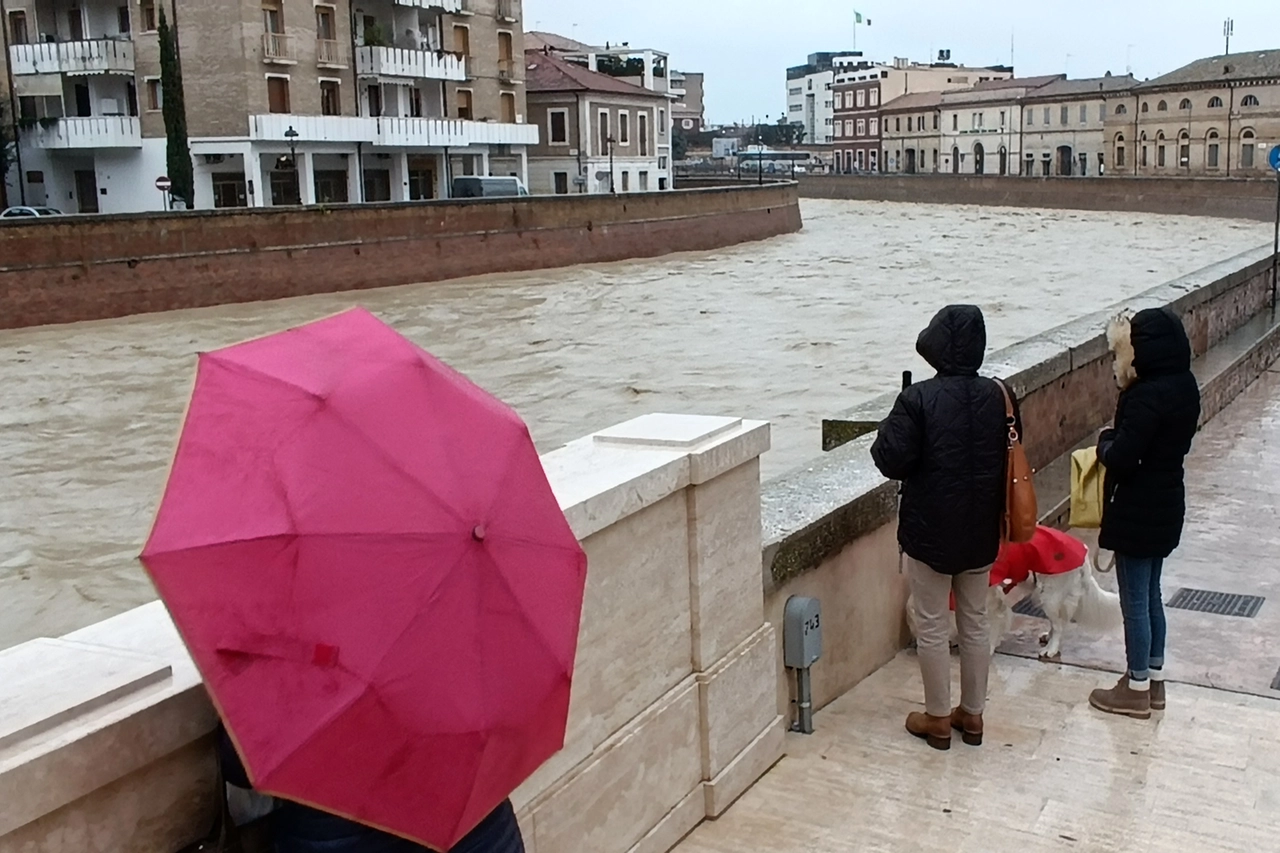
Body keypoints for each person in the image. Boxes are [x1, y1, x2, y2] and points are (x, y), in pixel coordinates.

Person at [871, 305, 1018, 751]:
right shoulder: (1000, 395)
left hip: (930, 531)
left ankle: (937, 718)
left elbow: (888, 459)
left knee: (933, 623)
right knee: (975, 620)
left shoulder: (917, 400)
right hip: (980, 533)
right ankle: (972, 716)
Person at [1088, 308, 1200, 719]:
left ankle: (1135, 689)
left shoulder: (1145, 395)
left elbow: (1123, 456)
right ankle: (1153, 680)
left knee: (1134, 600)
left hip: (1137, 508)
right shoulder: (1185, 386)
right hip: (1168, 502)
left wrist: (1104, 443)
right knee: (1152, 594)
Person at [216, 726, 526, 853]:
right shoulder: (455, 608)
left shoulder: (295, 621)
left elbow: (240, 763)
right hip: (481, 830)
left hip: (343, 840)